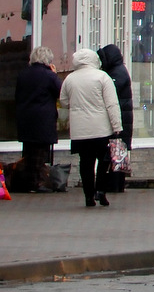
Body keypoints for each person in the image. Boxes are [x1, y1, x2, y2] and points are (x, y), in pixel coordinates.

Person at [59, 48, 122, 207]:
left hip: (80, 131)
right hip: (101, 129)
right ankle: (101, 190)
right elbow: (112, 104)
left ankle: (88, 195)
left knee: (86, 162)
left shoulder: (70, 79)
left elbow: (64, 101)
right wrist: (117, 126)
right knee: (104, 160)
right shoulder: (102, 77)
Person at [15, 46, 62, 193]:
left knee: (28, 152)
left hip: (25, 117)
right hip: (43, 119)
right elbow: (60, 92)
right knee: (40, 153)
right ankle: (35, 183)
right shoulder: (49, 76)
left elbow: (17, 95)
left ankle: (26, 182)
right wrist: (54, 74)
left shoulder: (23, 74)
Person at [97, 44, 134, 193]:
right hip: (122, 118)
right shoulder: (118, 71)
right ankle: (116, 184)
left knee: (116, 152)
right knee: (117, 152)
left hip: (120, 119)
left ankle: (115, 184)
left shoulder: (117, 73)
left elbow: (110, 92)